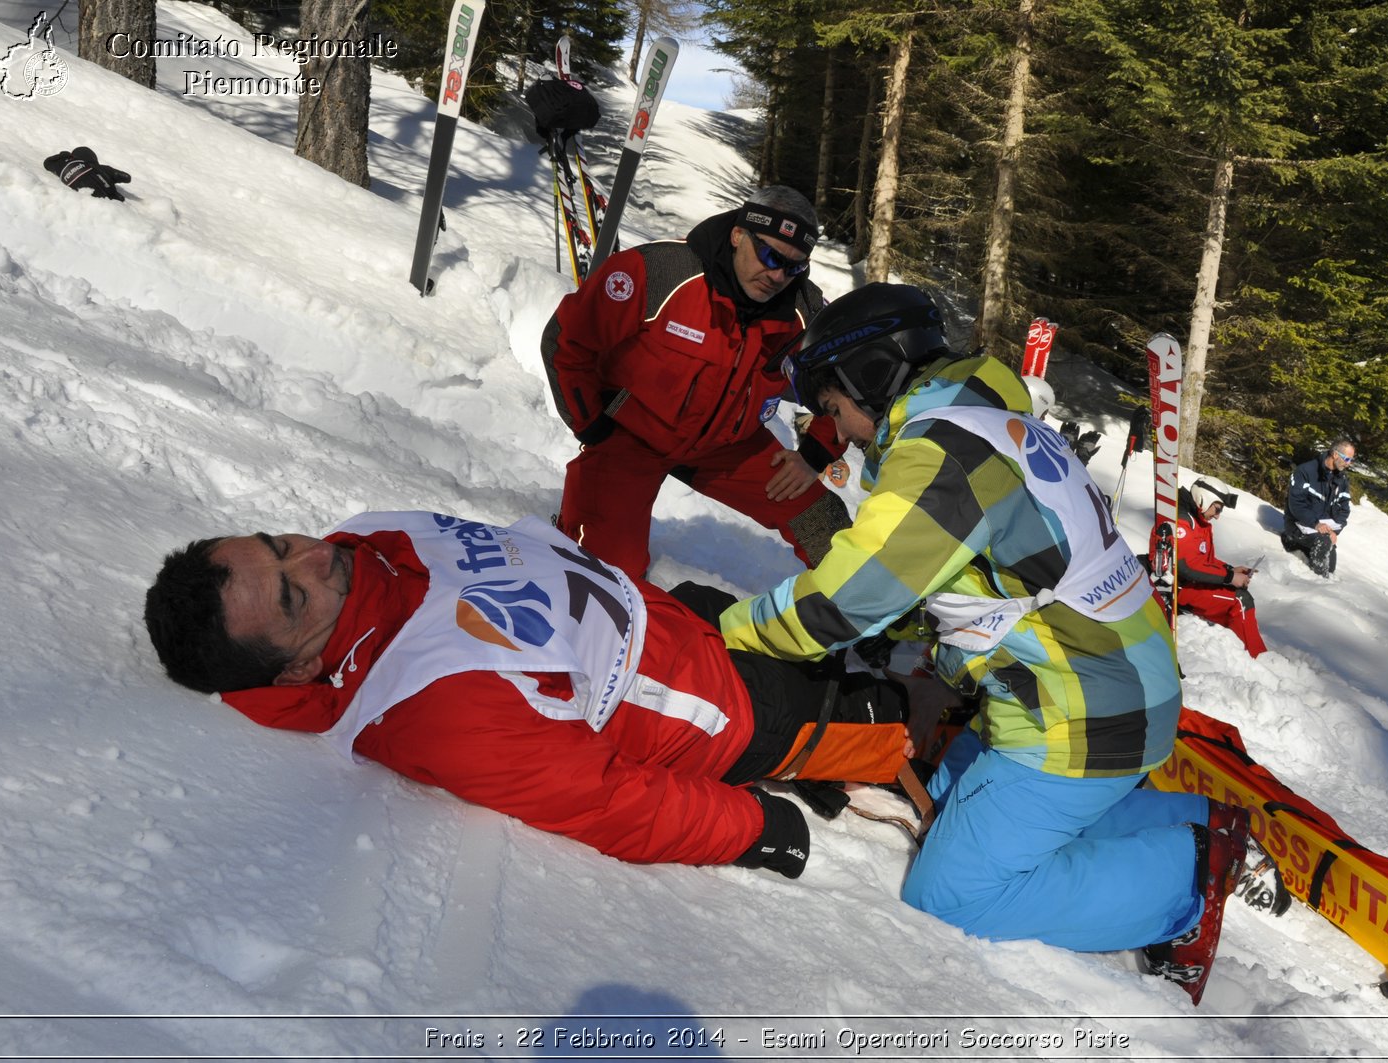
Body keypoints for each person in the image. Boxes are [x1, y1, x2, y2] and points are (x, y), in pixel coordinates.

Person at [718, 283, 1285, 1004]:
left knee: (951, 889)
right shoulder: (986, 419)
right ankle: (1206, 824)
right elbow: (974, 587)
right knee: (952, 801)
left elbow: (843, 600)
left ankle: (1187, 879)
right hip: (1105, 689)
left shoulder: (943, 451)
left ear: (868, 375)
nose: (844, 432)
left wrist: (728, 635)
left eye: (835, 408)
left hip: (1083, 714)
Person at [142, 511, 924, 879]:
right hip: (740, 716)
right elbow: (606, 800)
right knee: (906, 723)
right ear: (291, 673)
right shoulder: (429, 706)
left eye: (280, 545)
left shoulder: (374, 536)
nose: (315, 556)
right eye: (291, 597)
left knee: (875, 641)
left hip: (698, 619)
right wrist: (753, 825)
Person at [540, 184, 850, 579]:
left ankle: (867, 616)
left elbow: (847, 389)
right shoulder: (660, 272)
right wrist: (591, 424)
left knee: (821, 521)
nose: (777, 276)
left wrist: (814, 454)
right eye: (770, 256)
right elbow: (567, 340)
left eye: (794, 267)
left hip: (728, 449)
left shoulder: (802, 312)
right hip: (632, 438)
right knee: (607, 575)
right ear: (740, 234)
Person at [1158, 480, 1268, 657]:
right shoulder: (1182, 521)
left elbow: (1204, 560)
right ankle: (1257, 656)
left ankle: (1239, 649)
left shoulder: (1198, 520)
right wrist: (1229, 576)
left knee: (1237, 595)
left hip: (1192, 584)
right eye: (1217, 509)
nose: (1217, 516)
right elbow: (1185, 566)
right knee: (1240, 599)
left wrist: (1231, 570)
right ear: (1203, 499)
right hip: (1179, 587)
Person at [1281, 439, 1355, 576]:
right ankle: (1318, 583)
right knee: (1323, 547)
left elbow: (1344, 509)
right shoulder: (1305, 471)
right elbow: (1296, 504)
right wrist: (1315, 524)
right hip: (1299, 524)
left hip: (1323, 530)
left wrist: (1334, 531)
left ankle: (1305, 548)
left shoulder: (1341, 479)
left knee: (1330, 565)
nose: (1349, 463)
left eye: (1351, 460)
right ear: (1335, 454)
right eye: (1347, 459)